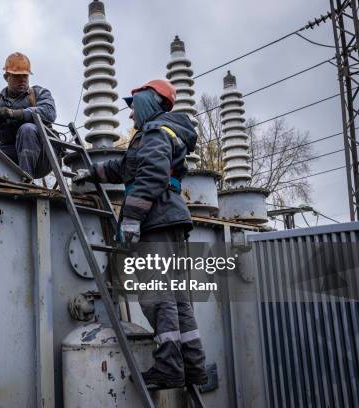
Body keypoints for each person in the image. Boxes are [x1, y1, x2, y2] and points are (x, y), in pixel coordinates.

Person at [74, 79, 208, 389]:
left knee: (156, 297)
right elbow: (126, 167)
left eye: (134, 109)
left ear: (148, 103)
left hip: (156, 220)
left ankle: (169, 368)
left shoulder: (155, 133)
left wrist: (131, 218)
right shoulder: (161, 134)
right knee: (176, 299)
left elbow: (152, 175)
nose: (131, 116)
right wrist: (92, 172)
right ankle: (193, 366)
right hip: (171, 220)